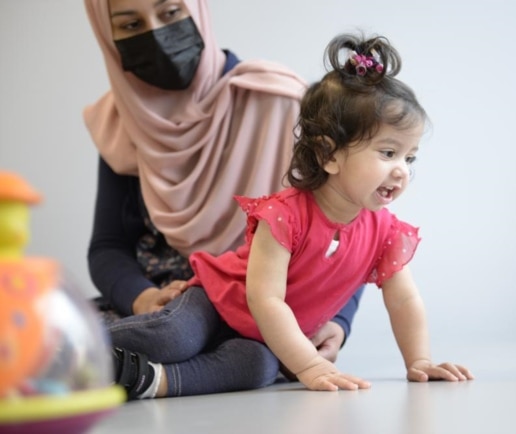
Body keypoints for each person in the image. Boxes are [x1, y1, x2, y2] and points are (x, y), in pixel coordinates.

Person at [108, 32, 474, 399]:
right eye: (388, 152)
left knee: (258, 367)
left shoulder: (386, 232)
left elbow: (404, 300)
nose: (402, 171)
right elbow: (265, 300)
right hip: (218, 304)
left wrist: (420, 361)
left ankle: (146, 380)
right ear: (328, 155)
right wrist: (311, 365)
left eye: (409, 158)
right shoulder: (285, 215)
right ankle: (72, 344)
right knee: (175, 337)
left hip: (263, 337)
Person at [83, 0, 364, 397]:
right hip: (165, 308)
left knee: (260, 362)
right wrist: (142, 297)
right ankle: (80, 355)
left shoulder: (281, 101)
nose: (156, 35)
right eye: (130, 24)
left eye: (170, 13)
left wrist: (338, 322)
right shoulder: (120, 120)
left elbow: (349, 227)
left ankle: (133, 376)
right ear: (108, 37)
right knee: (169, 336)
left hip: (266, 308)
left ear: (197, 11)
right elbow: (108, 247)